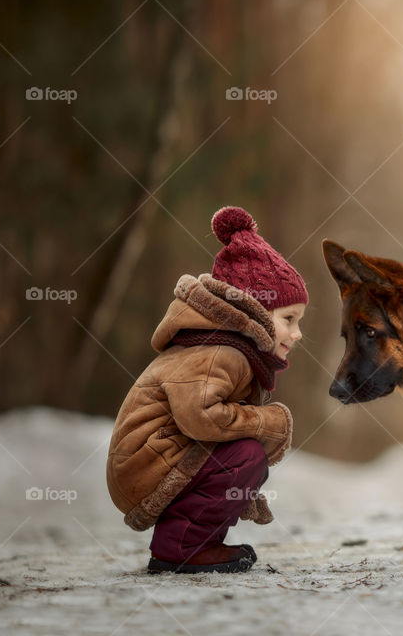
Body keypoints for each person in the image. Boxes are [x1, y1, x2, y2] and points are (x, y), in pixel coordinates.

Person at [106, 206, 307, 573]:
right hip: (147, 462)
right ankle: (180, 548)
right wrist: (265, 422)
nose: (297, 334)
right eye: (289, 320)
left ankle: (200, 543)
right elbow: (201, 416)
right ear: (256, 311)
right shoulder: (221, 352)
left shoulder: (226, 347)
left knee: (244, 455)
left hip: (152, 458)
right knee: (245, 456)